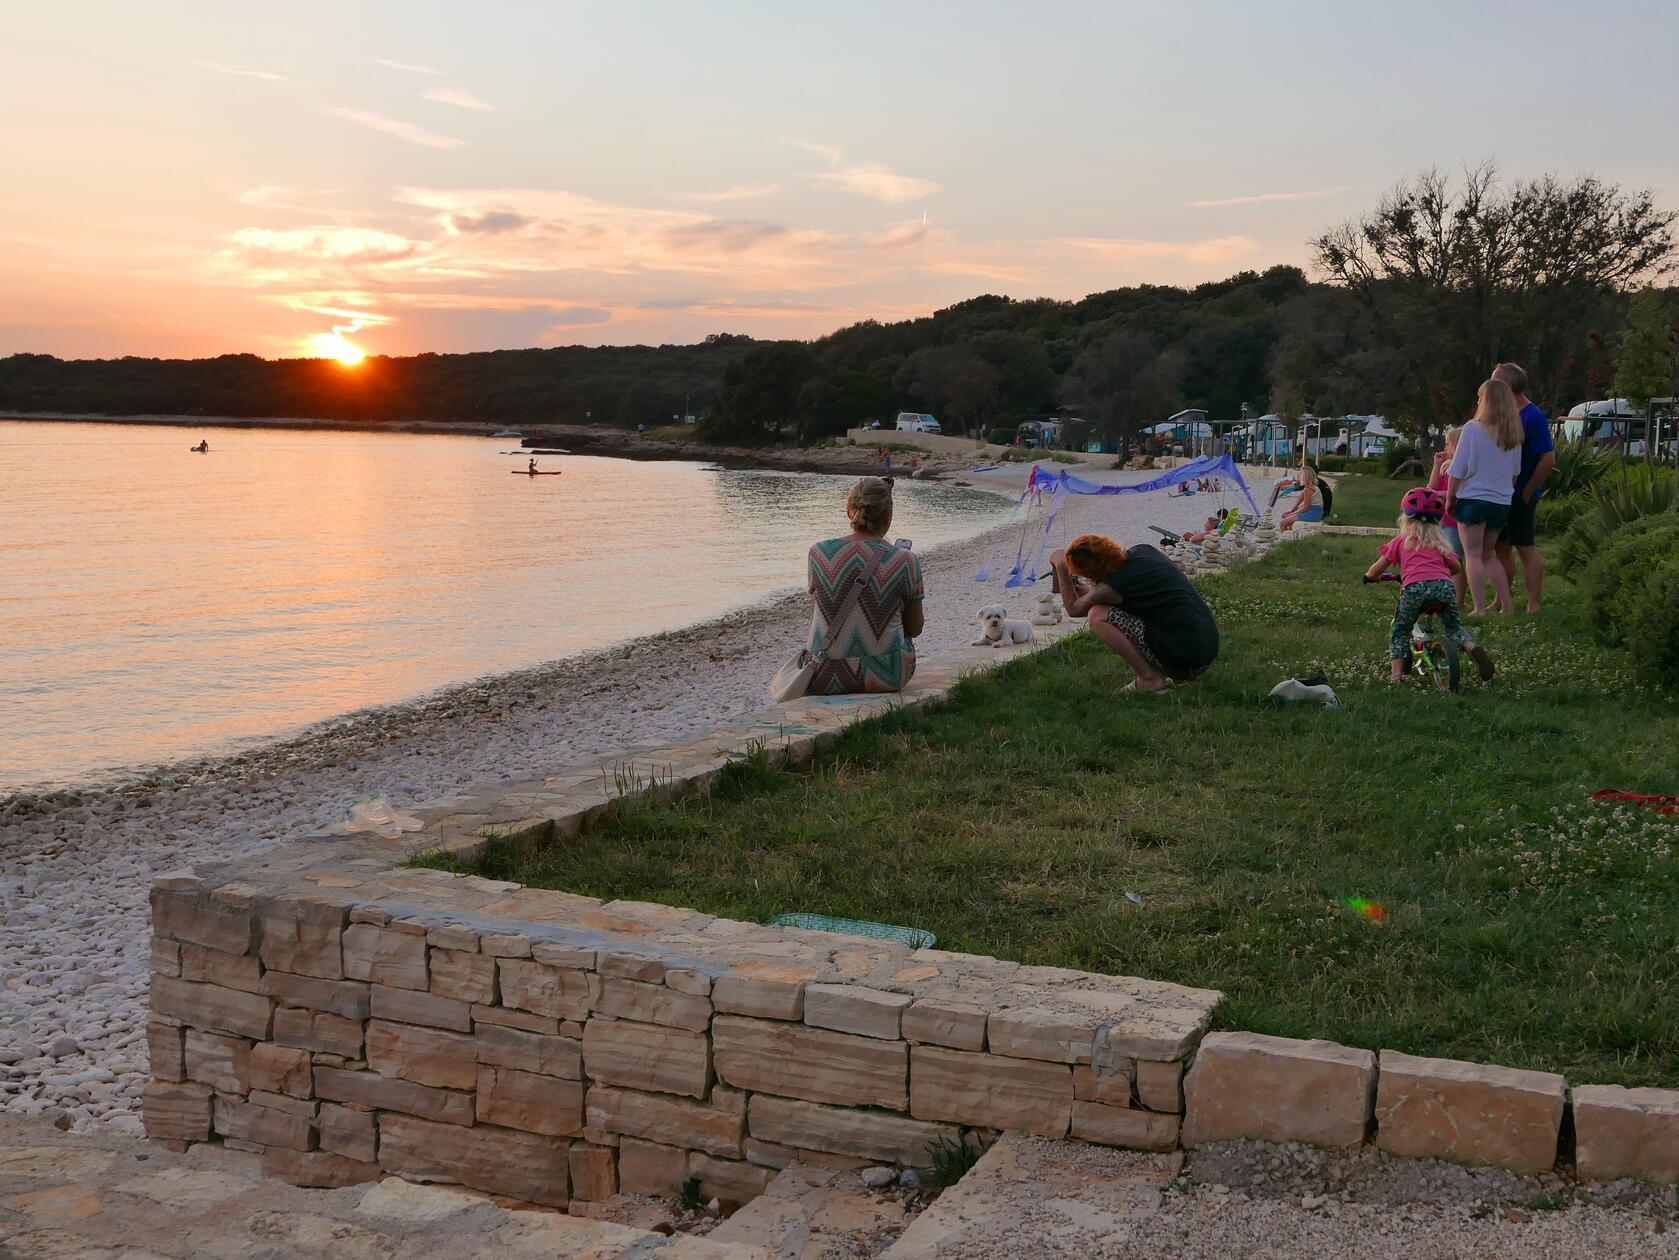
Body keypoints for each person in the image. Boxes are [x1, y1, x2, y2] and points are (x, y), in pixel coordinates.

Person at [1049, 534, 1219, 692]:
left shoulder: (1110, 588)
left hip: (1185, 655)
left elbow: (1073, 608)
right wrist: (1093, 593)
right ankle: (1174, 673)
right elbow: (1143, 595)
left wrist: (1062, 566)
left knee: (1097, 615)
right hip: (1205, 647)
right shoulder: (1144, 550)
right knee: (1100, 608)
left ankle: (1149, 678)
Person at [802, 477, 924, 695]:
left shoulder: (818, 552)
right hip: (888, 673)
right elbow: (915, 629)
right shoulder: (905, 560)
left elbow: (818, 615)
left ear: (849, 512)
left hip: (823, 674)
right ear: (888, 516)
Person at [1363, 487, 1493, 683]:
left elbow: (1377, 569)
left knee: (1400, 631)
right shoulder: (1440, 543)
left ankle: (1396, 676)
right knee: (1454, 627)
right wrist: (1438, 575)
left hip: (1415, 590)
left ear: (1405, 519)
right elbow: (1457, 567)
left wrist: (1370, 576)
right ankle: (1471, 648)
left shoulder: (1400, 541)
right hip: (1445, 587)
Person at [1447, 378, 1524, 615]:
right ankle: (1507, 605)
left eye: (1480, 397)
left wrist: (1450, 497)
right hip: (1501, 502)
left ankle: (1479, 608)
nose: (1478, 401)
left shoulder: (1472, 429)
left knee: (1472, 555)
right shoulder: (1513, 434)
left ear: (1487, 402)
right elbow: (1514, 474)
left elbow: (1458, 468)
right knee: (1489, 554)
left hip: (1473, 499)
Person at [1489, 362, 1555, 612]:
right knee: (1500, 547)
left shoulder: (1532, 417)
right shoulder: (1500, 413)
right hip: (1500, 494)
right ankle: (1501, 600)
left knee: (1525, 547)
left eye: (1495, 381)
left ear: (1506, 386)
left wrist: (1527, 492)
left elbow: (1548, 460)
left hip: (1521, 495)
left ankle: (1533, 603)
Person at [1430, 426, 1466, 606]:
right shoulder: (1446, 465)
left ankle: (1458, 600)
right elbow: (1433, 485)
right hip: (1444, 519)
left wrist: (1437, 496)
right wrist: (1436, 465)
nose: (1445, 449)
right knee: (1448, 559)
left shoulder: (1459, 468)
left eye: (1448, 444)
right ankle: (1453, 597)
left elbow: (1456, 493)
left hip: (1454, 520)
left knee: (1455, 560)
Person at [1280, 464, 1324, 529]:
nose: (1298, 478)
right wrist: (1291, 511)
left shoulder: (1308, 490)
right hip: (1317, 513)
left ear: (1304, 477)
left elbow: (1305, 508)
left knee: (1282, 523)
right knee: (1289, 521)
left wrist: (1290, 515)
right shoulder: (1314, 487)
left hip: (1312, 515)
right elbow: (1298, 504)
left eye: (1300, 476)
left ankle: (1283, 537)